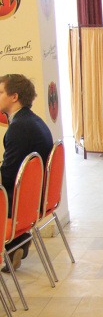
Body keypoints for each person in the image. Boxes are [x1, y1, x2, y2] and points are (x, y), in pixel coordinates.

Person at [0, 74, 53, 270]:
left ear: (14, 97)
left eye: (0, 92)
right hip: (34, 197)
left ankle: (15, 242)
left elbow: (8, 177)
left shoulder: (19, 127)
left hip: (21, 202)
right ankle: (17, 243)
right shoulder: (32, 120)